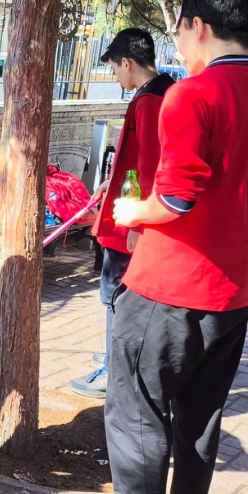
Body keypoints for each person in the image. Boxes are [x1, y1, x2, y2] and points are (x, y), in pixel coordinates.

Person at [65, 0, 248, 494]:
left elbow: (176, 196)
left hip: (168, 289)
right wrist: (239, 243)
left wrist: (131, 213)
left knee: (137, 410)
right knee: (201, 414)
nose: (179, 44)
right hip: (235, 292)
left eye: (179, 31)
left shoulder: (191, 96)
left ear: (197, 25)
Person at [69, 29, 174, 400]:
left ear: (127, 63)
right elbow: (136, 164)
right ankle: (118, 358)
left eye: (115, 69)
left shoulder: (148, 102)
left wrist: (137, 223)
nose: (116, 77)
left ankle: (115, 370)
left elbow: (150, 166)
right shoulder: (168, 91)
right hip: (132, 206)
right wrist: (109, 184)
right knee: (121, 293)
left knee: (114, 292)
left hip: (131, 219)